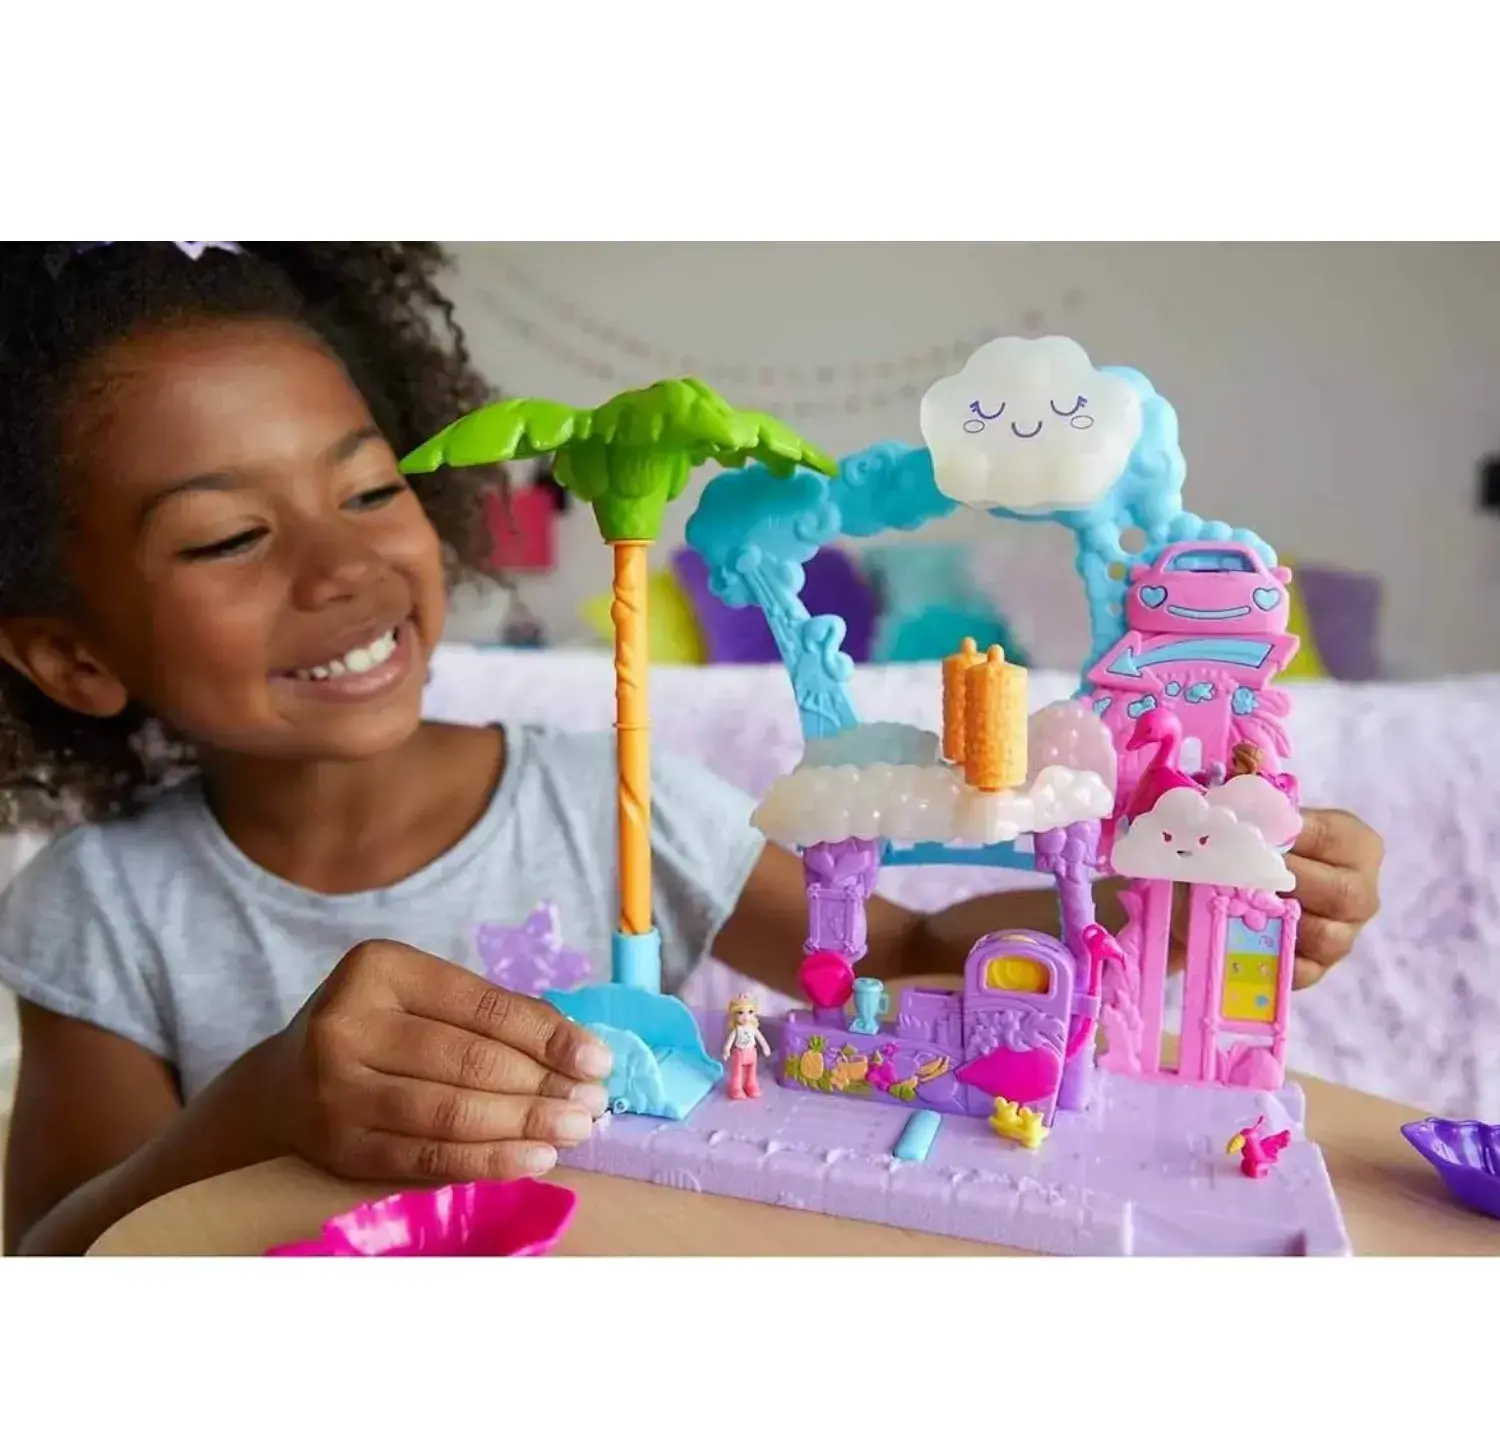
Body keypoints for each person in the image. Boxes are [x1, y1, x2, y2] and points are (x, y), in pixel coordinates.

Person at [0, 242, 1385, 1255]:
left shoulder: (610, 801)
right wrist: (263, 1101)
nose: (339, 566)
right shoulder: (102, 912)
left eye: (369, 491)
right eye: (228, 536)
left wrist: (1154, 912)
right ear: (73, 657)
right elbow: (60, 1256)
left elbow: (898, 953)